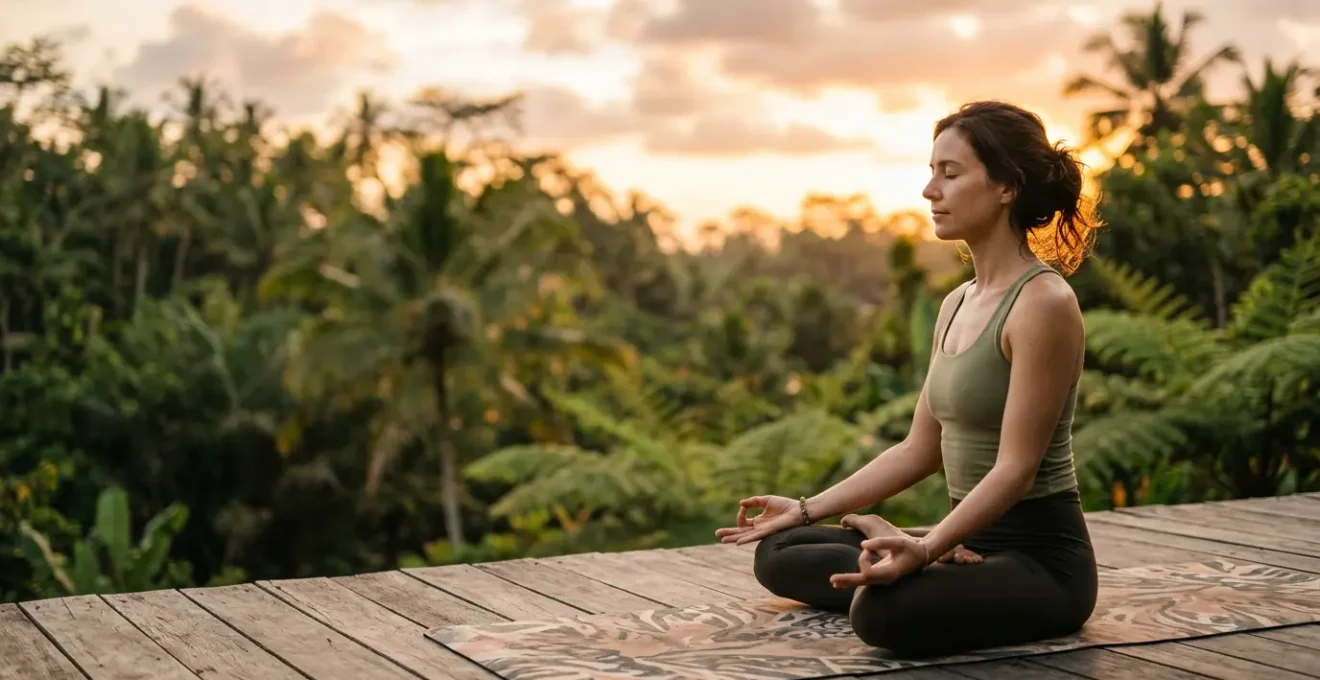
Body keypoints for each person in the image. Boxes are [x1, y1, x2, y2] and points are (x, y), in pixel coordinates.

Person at [714, 100, 1103, 659]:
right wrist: (804, 508)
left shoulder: (1043, 303)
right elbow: (919, 449)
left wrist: (928, 547)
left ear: (1006, 187)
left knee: (881, 610)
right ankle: (913, 553)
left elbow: (1016, 470)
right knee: (781, 549)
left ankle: (915, 557)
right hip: (963, 540)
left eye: (950, 173)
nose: (929, 191)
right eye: (931, 172)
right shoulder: (957, 302)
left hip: (1039, 562)